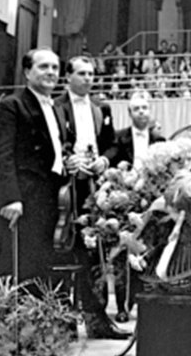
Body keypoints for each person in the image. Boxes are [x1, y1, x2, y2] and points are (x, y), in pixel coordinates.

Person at [53, 56, 126, 339]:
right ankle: (64, 322)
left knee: (96, 256)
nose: (88, 78)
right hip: (65, 190)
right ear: (68, 76)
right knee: (65, 255)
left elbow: (112, 146)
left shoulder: (102, 108)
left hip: (95, 191)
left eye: (91, 74)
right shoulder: (56, 107)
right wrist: (69, 159)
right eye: (82, 73)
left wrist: (104, 163)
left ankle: (98, 322)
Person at [0, 47, 66, 285]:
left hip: (48, 198)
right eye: (44, 67)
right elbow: (0, 156)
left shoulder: (56, 109)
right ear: (27, 72)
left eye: (55, 68)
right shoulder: (11, 106)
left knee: (41, 264)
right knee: (16, 265)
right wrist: (10, 198)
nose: (51, 72)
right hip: (22, 200)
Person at [103, 91, 165, 314]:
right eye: (136, 108)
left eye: (145, 107)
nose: (141, 112)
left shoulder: (160, 141)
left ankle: (146, 304)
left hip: (151, 203)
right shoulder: (119, 138)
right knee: (122, 255)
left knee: (148, 253)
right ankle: (122, 306)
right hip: (125, 203)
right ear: (129, 113)